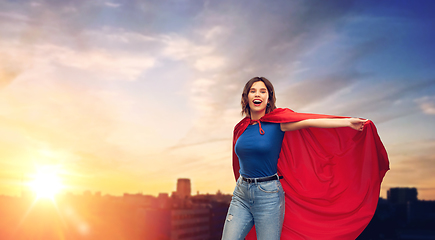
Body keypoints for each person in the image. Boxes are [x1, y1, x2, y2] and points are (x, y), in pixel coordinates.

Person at [221, 77, 389, 240]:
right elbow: (238, 163)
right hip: (241, 193)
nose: (257, 94)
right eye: (253, 91)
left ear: (269, 98)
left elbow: (309, 121)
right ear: (246, 97)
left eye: (263, 91)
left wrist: (346, 122)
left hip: (268, 195)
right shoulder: (240, 128)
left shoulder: (278, 123)